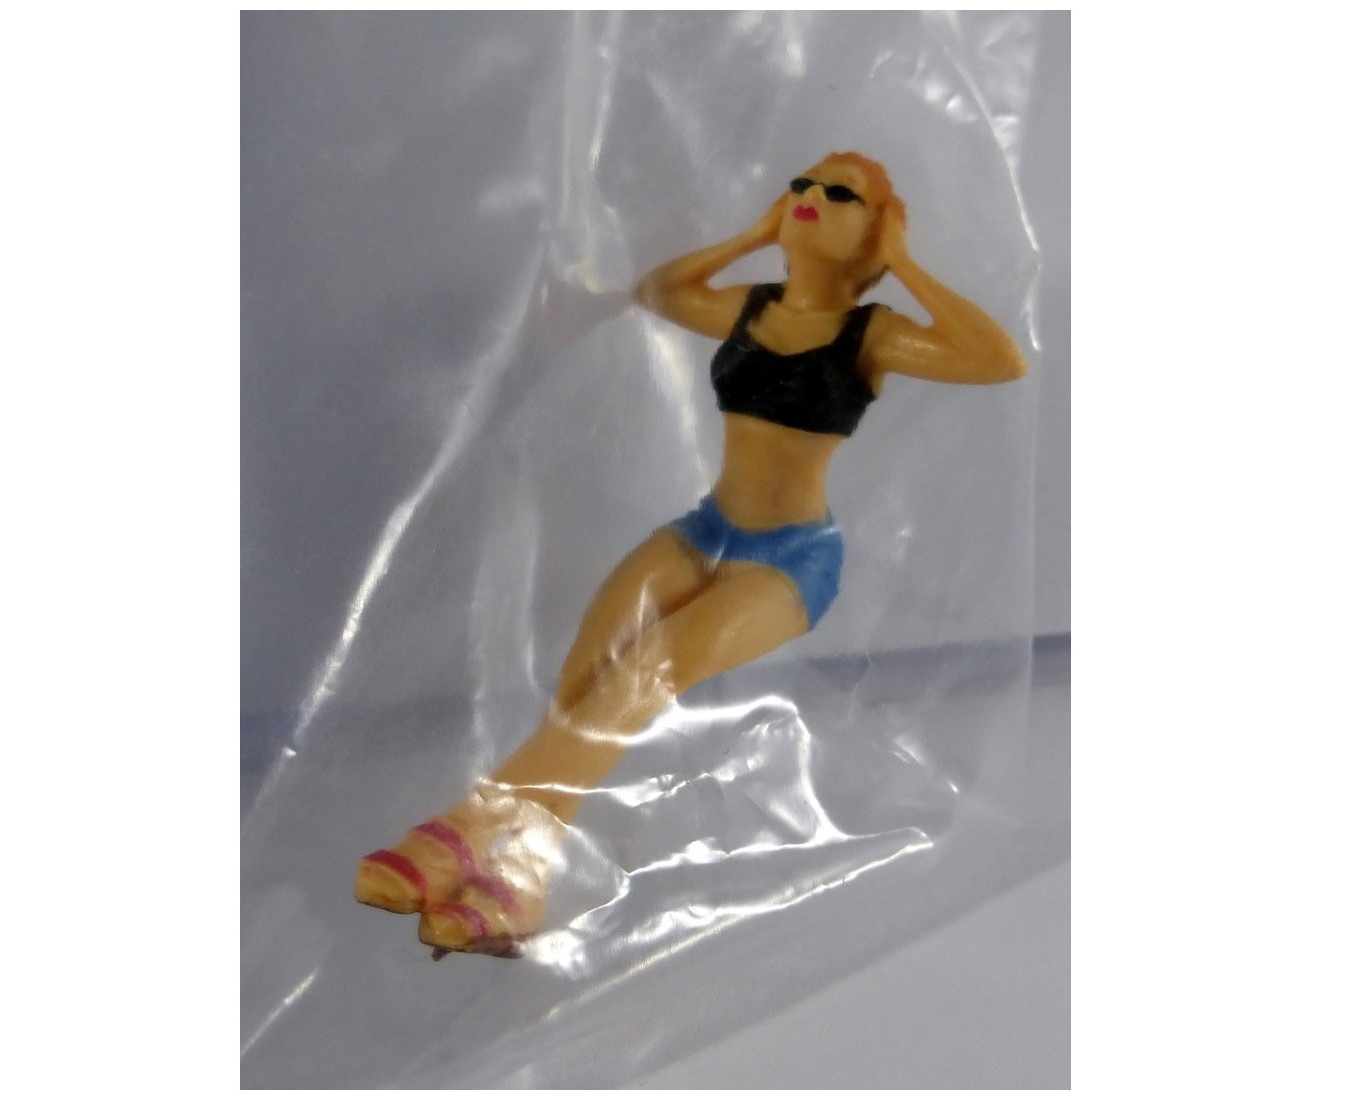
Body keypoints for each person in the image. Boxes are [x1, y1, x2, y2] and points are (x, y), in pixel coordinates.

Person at [354, 151, 1026, 957]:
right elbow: (661, 292)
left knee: (640, 678)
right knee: (583, 687)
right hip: (705, 531)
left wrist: (904, 264)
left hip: (790, 560)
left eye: (838, 194)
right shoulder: (750, 306)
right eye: (802, 185)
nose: (809, 196)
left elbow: (999, 359)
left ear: (874, 229)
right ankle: (524, 881)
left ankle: (462, 828)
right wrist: (751, 237)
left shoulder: (870, 335)